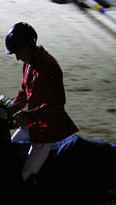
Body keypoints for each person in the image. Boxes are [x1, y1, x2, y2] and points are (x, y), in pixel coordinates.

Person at [5, 22, 78, 182]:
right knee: (7, 154)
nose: (17, 57)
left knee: (26, 175)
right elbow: (25, 90)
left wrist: (30, 116)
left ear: (29, 45)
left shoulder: (49, 67)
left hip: (49, 131)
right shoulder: (28, 63)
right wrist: (12, 108)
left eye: (18, 52)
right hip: (34, 126)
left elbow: (57, 103)